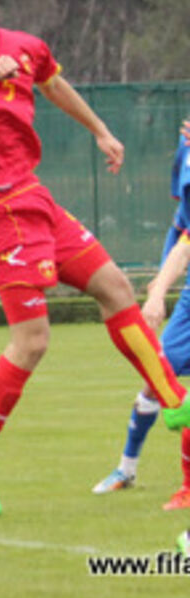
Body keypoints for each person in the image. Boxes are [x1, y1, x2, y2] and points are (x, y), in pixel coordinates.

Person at [0, 0, 189, 517]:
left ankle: (173, 400)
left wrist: (101, 131)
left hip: (33, 198)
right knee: (33, 341)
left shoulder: (26, 47)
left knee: (115, 287)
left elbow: (53, 84)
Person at [93, 126, 190, 506]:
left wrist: (160, 289)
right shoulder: (185, 144)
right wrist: (159, 290)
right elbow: (183, 231)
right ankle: (127, 469)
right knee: (159, 375)